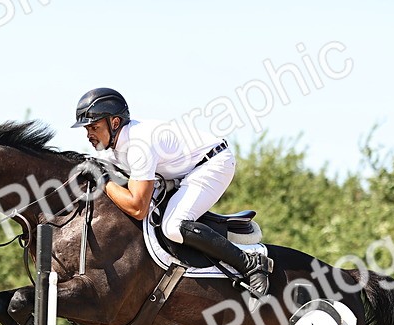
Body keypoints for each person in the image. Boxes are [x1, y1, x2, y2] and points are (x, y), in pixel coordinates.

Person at [72, 87, 271, 298]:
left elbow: (137, 208)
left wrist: (102, 180)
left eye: (93, 127)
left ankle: (251, 263)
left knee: (173, 226)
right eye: (86, 129)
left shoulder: (139, 144)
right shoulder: (116, 146)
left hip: (213, 164)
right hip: (180, 173)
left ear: (114, 123)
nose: (88, 135)